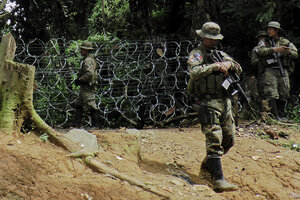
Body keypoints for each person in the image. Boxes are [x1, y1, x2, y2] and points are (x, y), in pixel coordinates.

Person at [187, 22, 242, 192]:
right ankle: (218, 179)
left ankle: (207, 166)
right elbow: (194, 72)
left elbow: (238, 68)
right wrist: (214, 67)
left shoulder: (220, 54)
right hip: (207, 101)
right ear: (203, 37)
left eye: (215, 39)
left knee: (229, 139)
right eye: (210, 39)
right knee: (214, 139)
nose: (213, 42)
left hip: (224, 101)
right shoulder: (197, 54)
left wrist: (229, 65)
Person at [255, 21, 298, 120]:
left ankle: (281, 114)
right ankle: (275, 116)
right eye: (268, 29)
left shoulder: (285, 42)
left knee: (284, 92)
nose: (268, 31)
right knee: (271, 92)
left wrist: (287, 52)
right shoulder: (264, 42)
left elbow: (295, 53)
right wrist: (274, 49)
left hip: (282, 69)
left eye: (271, 29)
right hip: (270, 70)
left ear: (277, 30)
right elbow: (259, 51)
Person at [74, 41, 99, 127]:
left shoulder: (88, 60)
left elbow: (89, 73)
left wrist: (80, 80)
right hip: (85, 85)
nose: (80, 51)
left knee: (91, 104)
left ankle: (95, 124)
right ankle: (77, 124)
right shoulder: (89, 59)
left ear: (86, 50)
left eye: (82, 49)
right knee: (78, 103)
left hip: (87, 86)